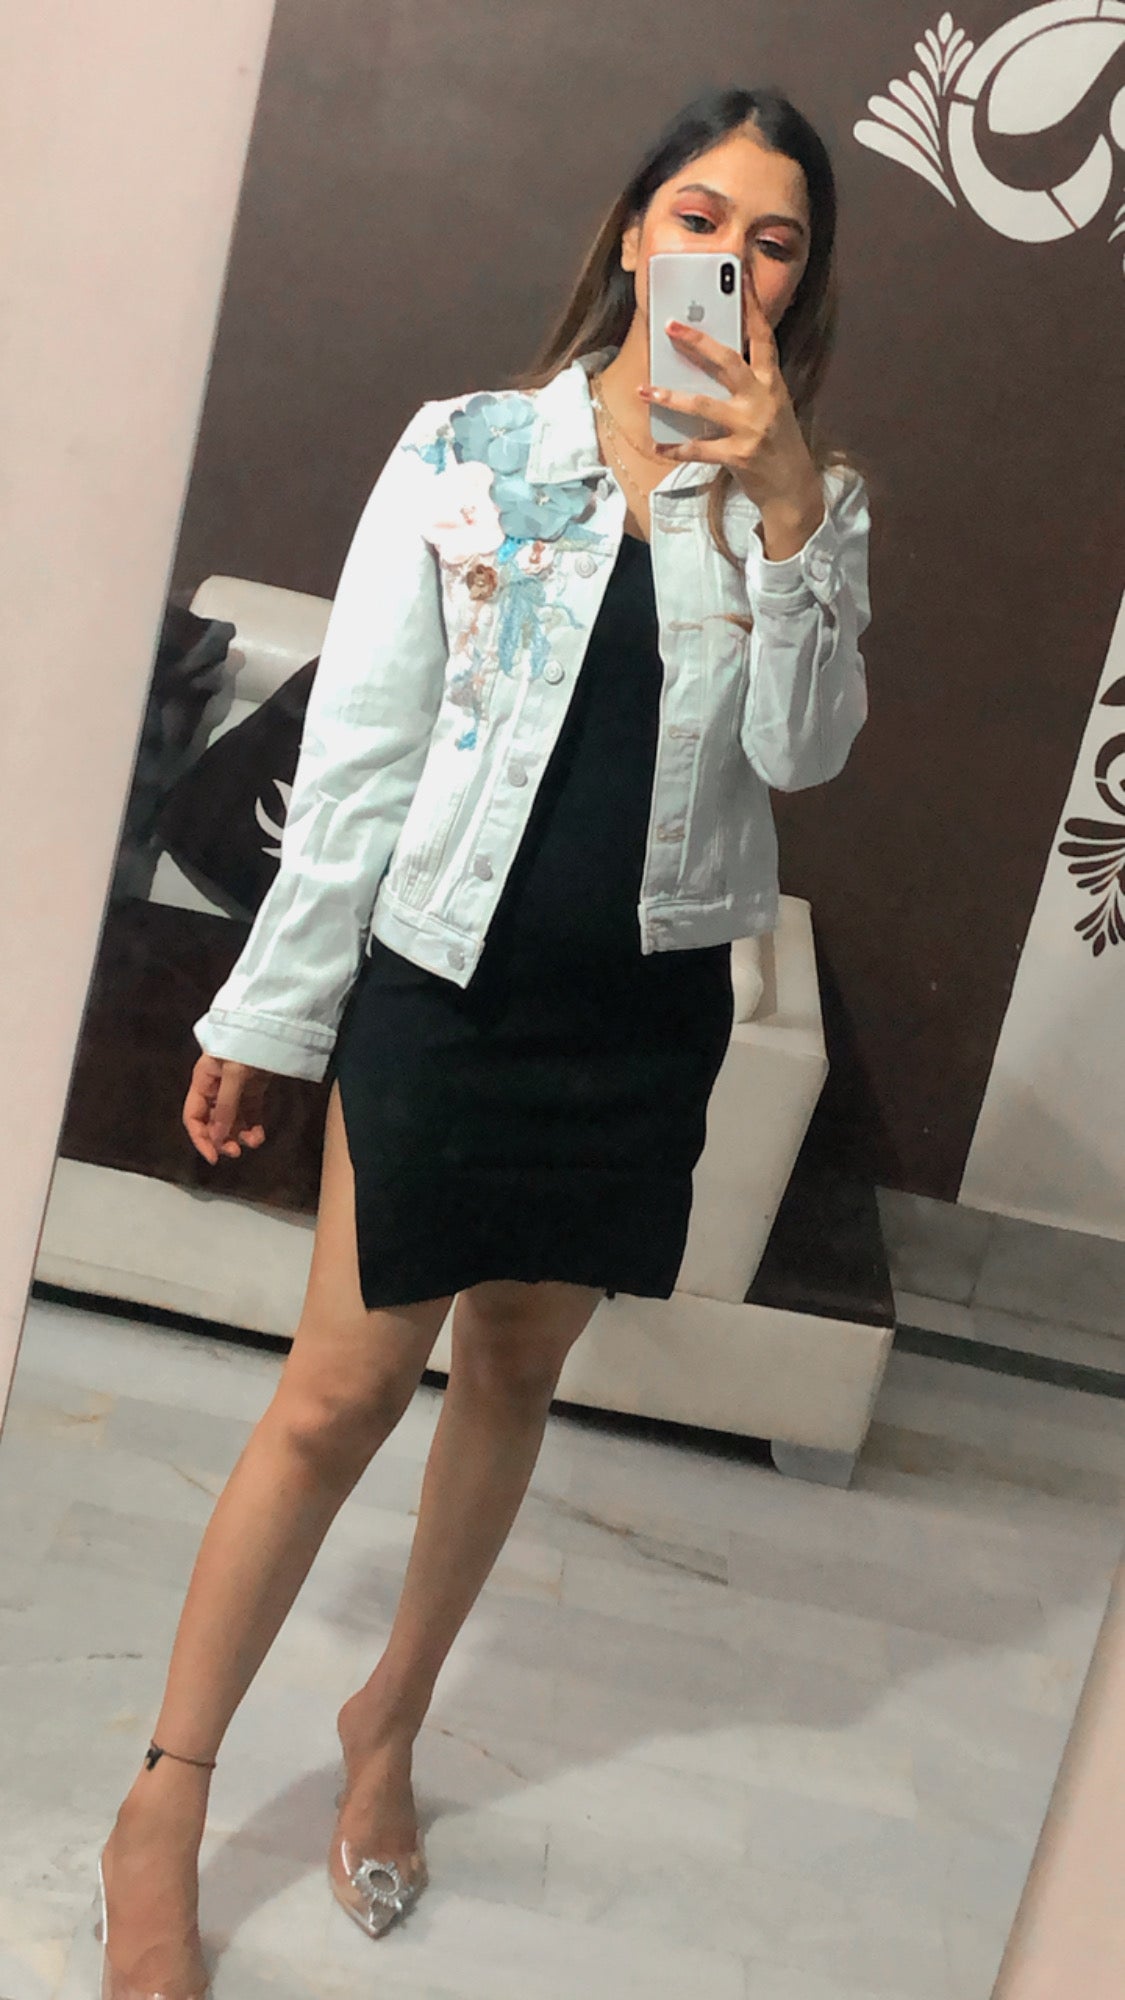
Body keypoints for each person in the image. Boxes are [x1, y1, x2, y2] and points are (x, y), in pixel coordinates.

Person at [94, 82, 871, 1995]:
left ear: (800, 283)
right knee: (337, 1395)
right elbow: (358, 759)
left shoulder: (813, 501)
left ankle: (390, 1723)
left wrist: (787, 518)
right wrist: (272, 1013)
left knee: (515, 1375)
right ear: (632, 232)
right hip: (445, 988)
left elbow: (802, 757)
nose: (732, 259)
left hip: (641, 1012)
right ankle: (165, 1801)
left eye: (774, 239)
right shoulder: (464, 449)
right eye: (702, 217)